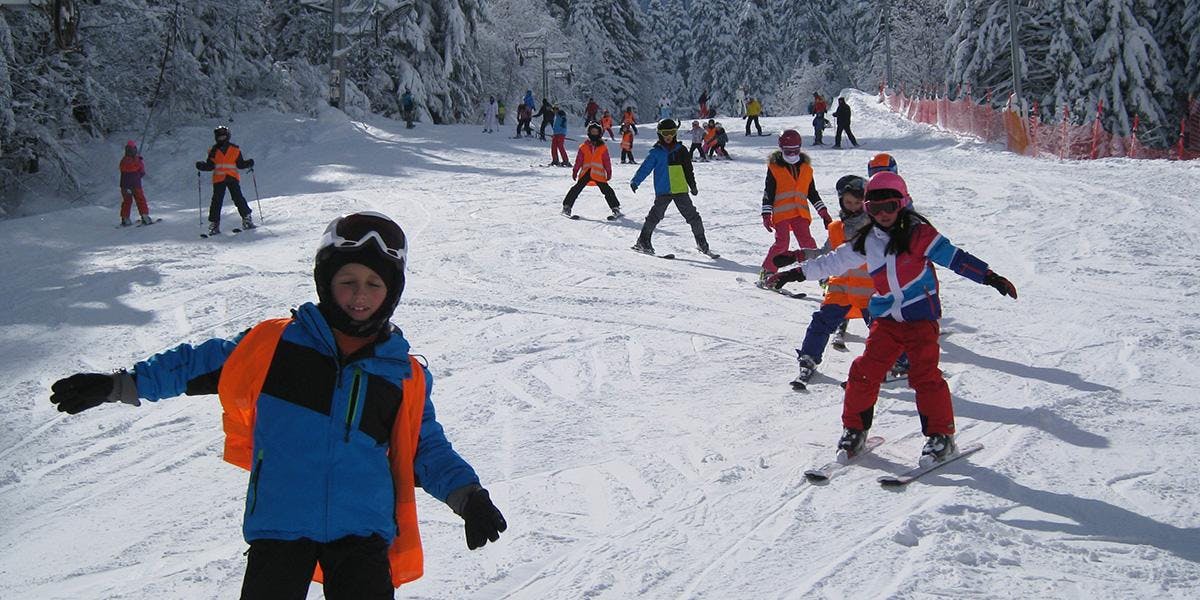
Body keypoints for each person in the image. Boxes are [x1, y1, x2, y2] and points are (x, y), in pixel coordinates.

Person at [49, 212, 509, 598]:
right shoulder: (273, 346)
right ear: (326, 282)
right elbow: (193, 366)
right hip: (280, 525)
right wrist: (117, 385)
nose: (360, 294)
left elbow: (424, 449)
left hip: (363, 530)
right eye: (347, 280)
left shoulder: (402, 374)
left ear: (392, 292)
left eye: (373, 283)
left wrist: (469, 497)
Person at [769, 173, 1018, 463]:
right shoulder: (868, 239)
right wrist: (794, 274)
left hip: (920, 319)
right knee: (863, 372)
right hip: (886, 319)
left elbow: (956, 258)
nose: (883, 214)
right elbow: (833, 261)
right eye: (874, 209)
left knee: (924, 376)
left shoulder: (920, 235)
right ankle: (855, 430)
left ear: (902, 203)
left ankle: (941, 437)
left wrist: (990, 277)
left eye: (889, 206)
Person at [773, 175, 872, 388]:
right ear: (840, 201)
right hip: (840, 286)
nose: (853, 207)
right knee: (821, 321)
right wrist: (796, 255)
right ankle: (809, 357)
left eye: (857, 203)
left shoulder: (873, 228)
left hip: (868, 289)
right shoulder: (837, 227)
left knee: (881, 329)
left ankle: (899, 361)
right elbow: (826, 254)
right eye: (848, 202)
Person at [629, 119, 712, 257]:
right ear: (660, 134)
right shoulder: (656, 152)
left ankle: (701, 242)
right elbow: (645, 168)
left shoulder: (682, 150)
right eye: (665, 133)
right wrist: (636, 181)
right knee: (655, 216)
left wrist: (693, 185)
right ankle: (643, 241)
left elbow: (688, 170)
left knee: (693, 216)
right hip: (664, 190)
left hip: (680, 189)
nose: (668, 136)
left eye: (672, 132)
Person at [758, 129, 830, 286]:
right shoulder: (775, 168)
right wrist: (766, 214)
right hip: (782, 214)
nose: (791, 155)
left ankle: (822, 275)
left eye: (795, 151)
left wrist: (823, 212)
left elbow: (812, 193)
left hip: (800, 214)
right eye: (788, 151)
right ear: (781, 148)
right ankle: (768, 271)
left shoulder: (806, 169)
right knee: (782, 243)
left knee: (808, 244)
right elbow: (768, 192)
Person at [195, 125, 255, 236]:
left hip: (232, 177)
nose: (221, 139)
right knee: (216, 201)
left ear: (227, 136)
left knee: (238, 198)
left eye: (223, 137)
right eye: (219, 137)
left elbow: (240, 164)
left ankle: (247, 219)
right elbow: (210, 166)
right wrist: (202, 166)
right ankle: (214, 224)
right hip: (219, 179)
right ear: (216, 138)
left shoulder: (235, 149)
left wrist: (248, 163)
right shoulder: (213, 150)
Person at [562, 122, 622, 219]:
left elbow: (606, 161)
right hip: (586, 172)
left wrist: (609, 171)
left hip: (598, 174)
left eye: (596, 132)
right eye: (592, 132)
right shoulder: (583, 147)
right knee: (576, 189)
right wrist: (575, 171)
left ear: (599, 134)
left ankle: (615, 208)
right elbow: (579, 160)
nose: (594, 134)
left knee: (607, 190)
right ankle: (567, 207)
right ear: (589, 133)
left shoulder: (603, 147)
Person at [118, 140, 153, 226]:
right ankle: (145, 217)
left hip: (125, 185)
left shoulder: (123, 161)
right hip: (135, 184)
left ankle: (125, 219)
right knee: (140, 200)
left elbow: (121, 169)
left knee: (127, 201)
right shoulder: (138, 161)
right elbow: (142, 172)